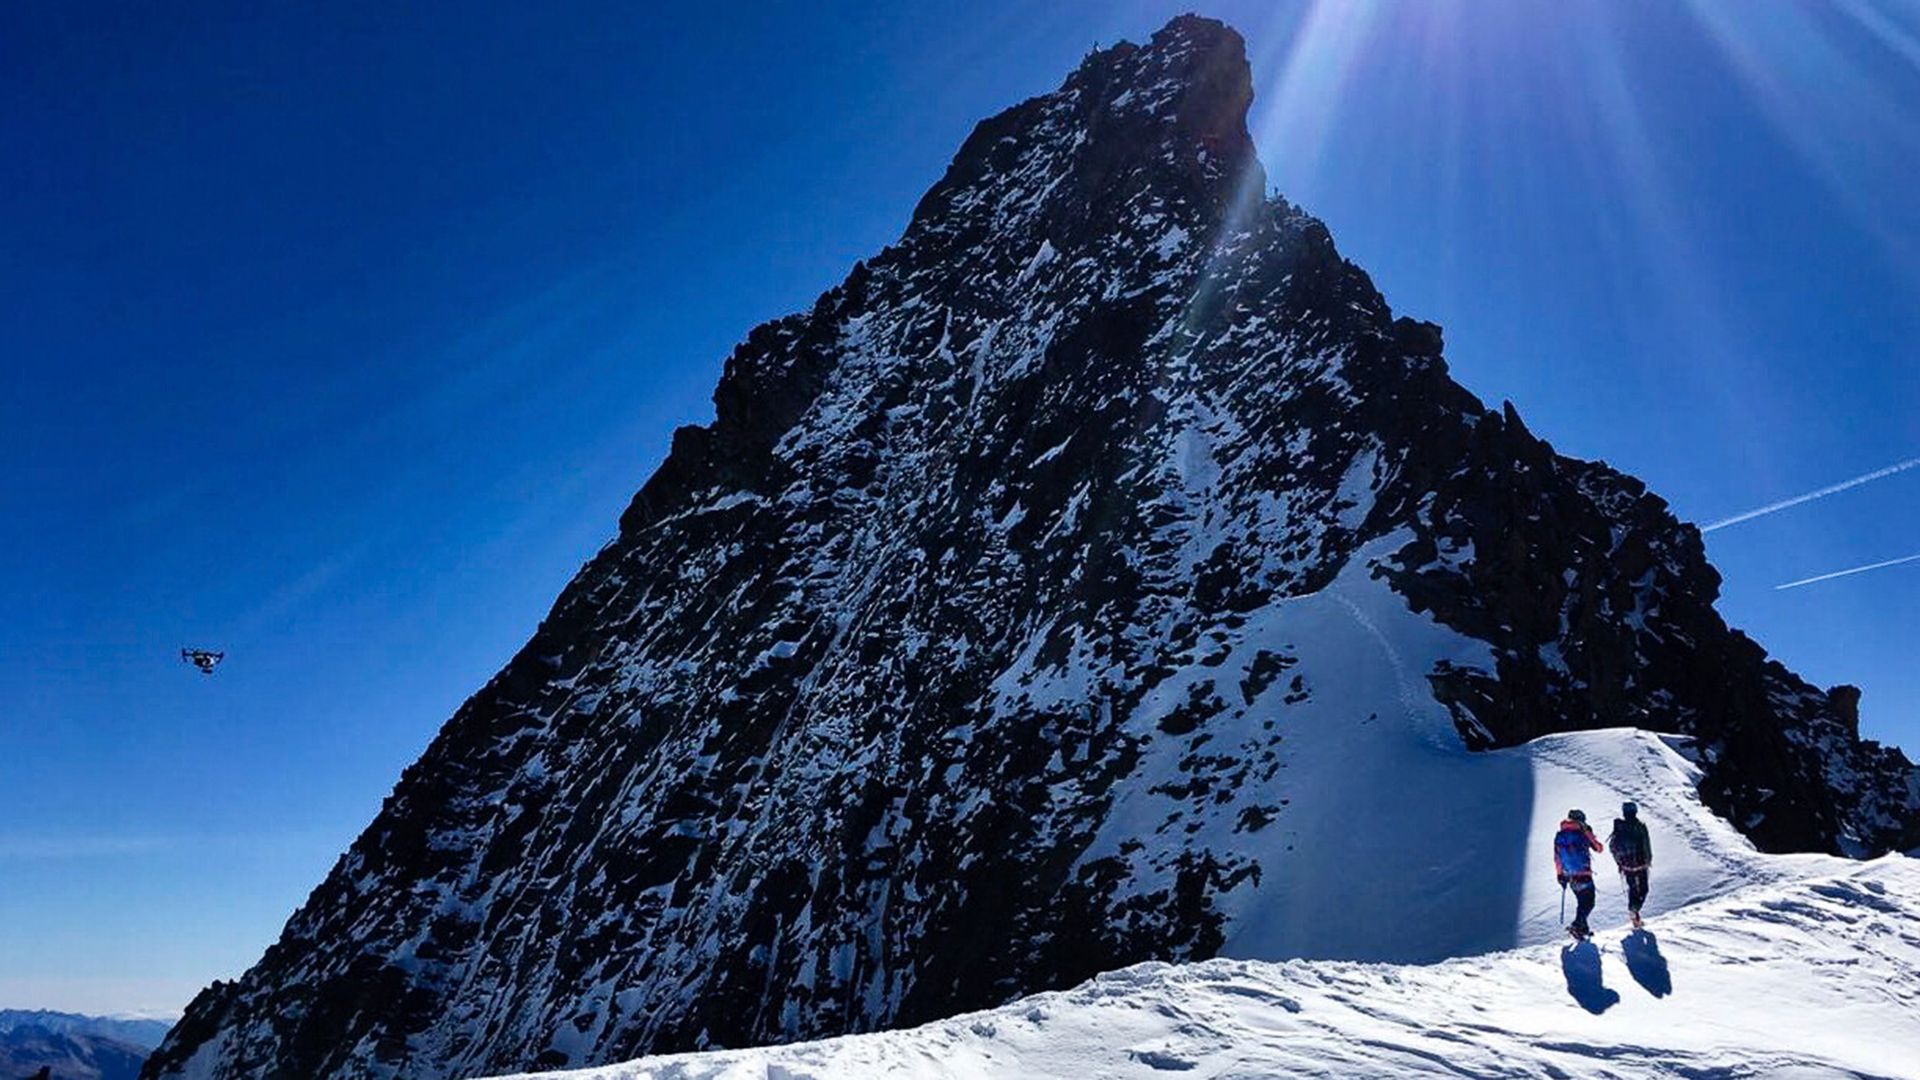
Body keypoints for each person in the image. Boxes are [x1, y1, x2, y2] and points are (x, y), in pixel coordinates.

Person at [1554, 808, 1604, 940]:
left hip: (1570, 877)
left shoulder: (1560, 835)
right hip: (1584, 874)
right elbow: (1599, 848)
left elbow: (1557, 857)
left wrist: (1560, 875)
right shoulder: (1583, 832)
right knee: (1589, 903)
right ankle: (1577, 926)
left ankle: (1583, 930)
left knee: (1582, 902)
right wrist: (1588, 832)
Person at [1609, 801, 1653, 928]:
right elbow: (1646, 844)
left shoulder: (1619, 827)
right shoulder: (1640, 826)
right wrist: (1648, 860)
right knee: (1643, 889)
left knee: (1633, 890)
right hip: (1641, 864)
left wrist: (1619, 862)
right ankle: (1634, 911)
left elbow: (1612, 847)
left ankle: (1635, 915)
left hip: (1627, 866)